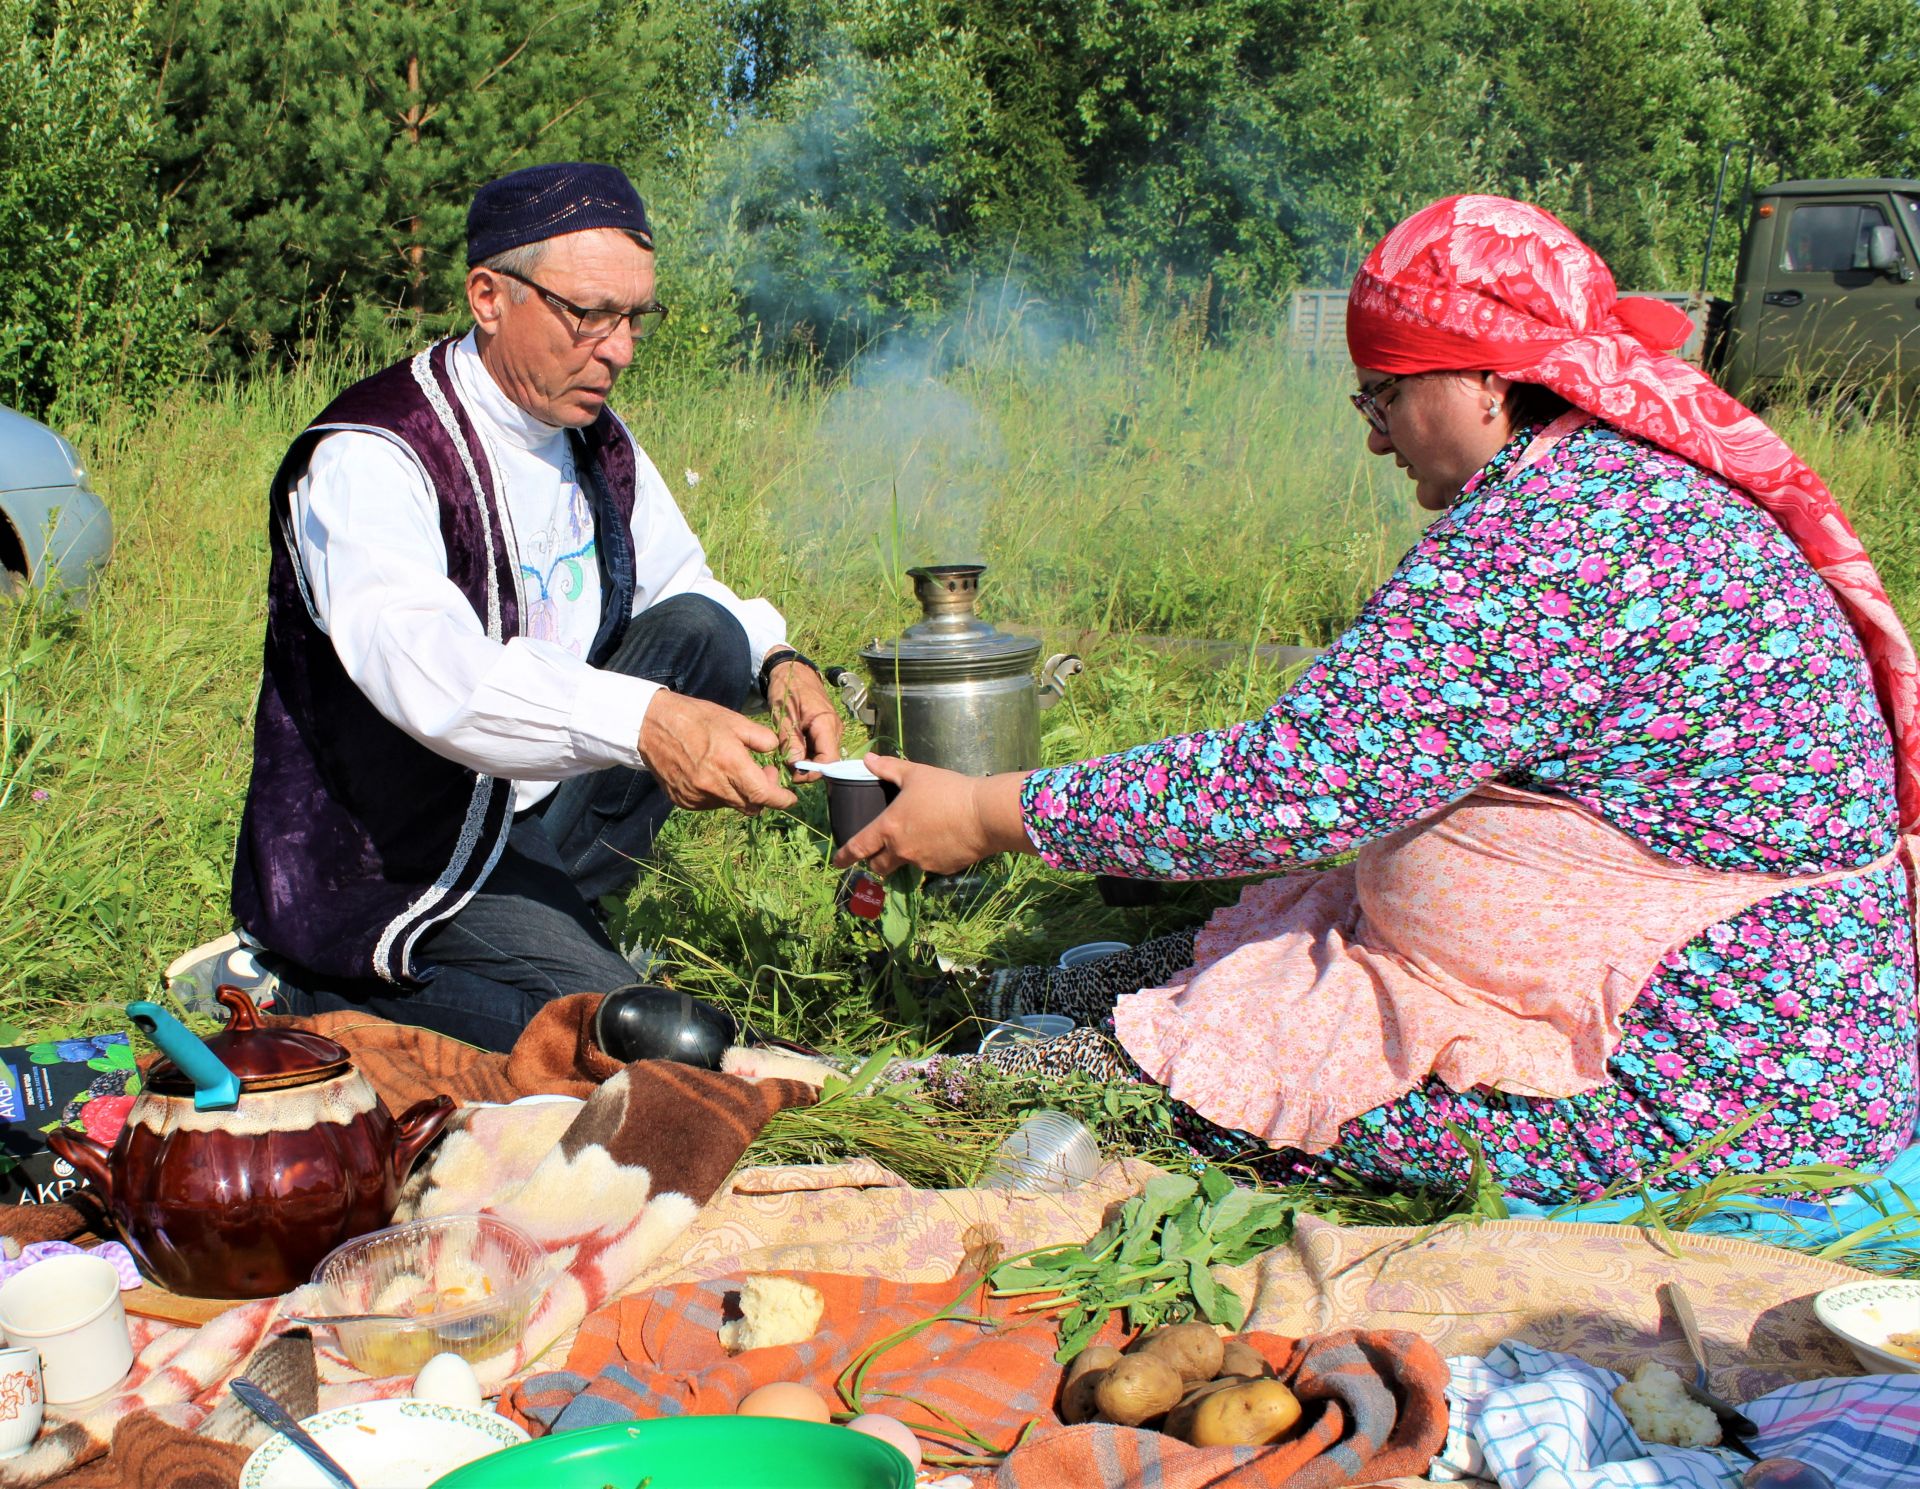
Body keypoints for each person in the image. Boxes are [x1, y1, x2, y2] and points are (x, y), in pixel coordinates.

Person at [838, 194, 1920, 1204]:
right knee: (1230, 964)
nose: (1372, 432)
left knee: (1233, 1089)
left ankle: (1062, 1070)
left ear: (1487, 380)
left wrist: (988, 812)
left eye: (1386, 393)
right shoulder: (1607, 484)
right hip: (1742, 1002)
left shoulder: (1560, 536)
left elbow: (1287, 787)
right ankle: (1064, 1007)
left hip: (1722, 1061)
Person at [230, 162, 842, 1051]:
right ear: (488, 296)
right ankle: (305, 989)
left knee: (709, 635)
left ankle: (561, 920)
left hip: (525, 815)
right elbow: (439, 681)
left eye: (636, 317)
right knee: (647, 1045)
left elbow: (683, 585)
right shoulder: (374, 456)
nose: (621, 349)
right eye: (590, 314)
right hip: (400, 857)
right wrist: (649, 723)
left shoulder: (594, 436)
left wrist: (778, 662)